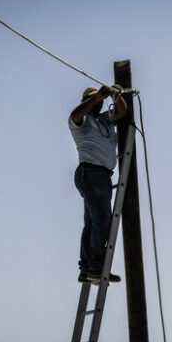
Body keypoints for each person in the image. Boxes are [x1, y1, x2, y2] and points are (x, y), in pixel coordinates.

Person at [69, 85, 127, 283]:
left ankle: (86, 269)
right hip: (91, 172)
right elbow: (74, 115)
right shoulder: (81, 120)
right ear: (86, 101)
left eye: (100, 100)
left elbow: (122, 111)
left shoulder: (104, 119)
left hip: (99, 175)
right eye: (93, 99)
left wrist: (115, 94)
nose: (98, 102)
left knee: (92, 223)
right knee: (102, 220)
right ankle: (95, 268)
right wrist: (96, 97)